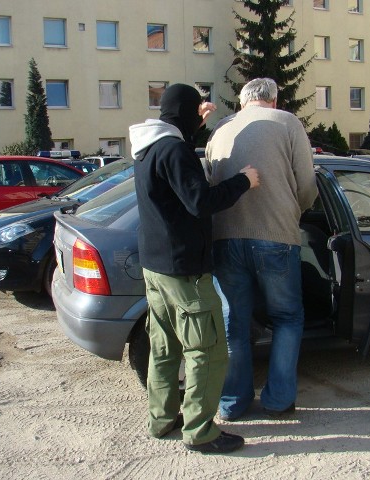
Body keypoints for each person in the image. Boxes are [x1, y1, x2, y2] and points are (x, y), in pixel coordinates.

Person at [129, 83, 260, 454]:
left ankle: (162, 418)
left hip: (156, 269)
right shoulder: (174, 151)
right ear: (186, 111)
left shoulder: (150, 146)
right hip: (185, 270)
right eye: (196, 109)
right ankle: (201, 432)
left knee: (164, 348)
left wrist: (197, 126)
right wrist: (243, 181)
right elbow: (199, 201)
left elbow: (177, 164)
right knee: (208, 350)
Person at [205, 78, 317, 421]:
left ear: (242, 103)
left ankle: (232, 403)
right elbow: (307, 184)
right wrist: (294, 210)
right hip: (276, 237)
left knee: (234, 323)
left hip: (224, 237)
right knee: (287, 318)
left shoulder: (220, 130)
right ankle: (278, 401)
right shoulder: (287, 122)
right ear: (274, 99)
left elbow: (209, 181)